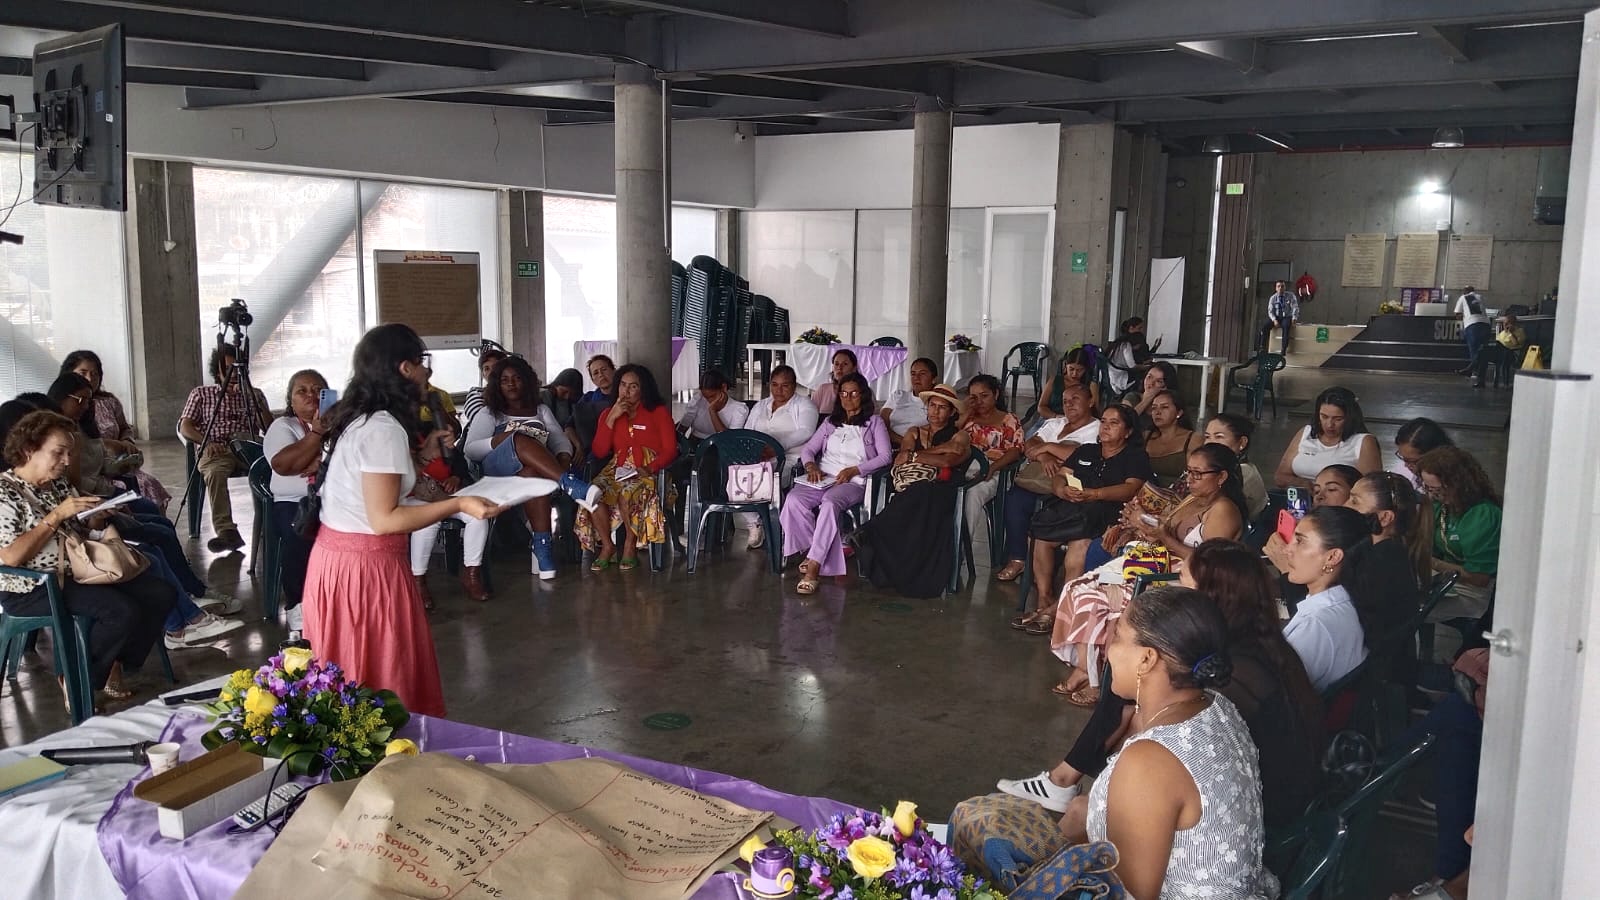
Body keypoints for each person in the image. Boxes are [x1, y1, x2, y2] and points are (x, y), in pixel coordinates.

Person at [999, 539, 1322, 830]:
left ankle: (1063, 782)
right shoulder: (1256, 644)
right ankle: (1064, 780)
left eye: (1182, 580)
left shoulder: (1230, 678)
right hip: (1264, 805)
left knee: (1083, 811)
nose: (1172, 581)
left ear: (1208, 599)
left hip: (1257, 820)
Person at [302, 324, 506, 719]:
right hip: (365, 571)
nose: (428, 372)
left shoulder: (365, 419)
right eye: (422, 362)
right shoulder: (382, 429)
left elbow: (377, 495)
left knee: (355, 680)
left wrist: (422, 454)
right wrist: (458, 504)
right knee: (379, 684)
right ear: (404, 369)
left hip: (343, 562)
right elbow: (385, 518)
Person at [1061, 587, 1279, 900]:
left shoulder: (1149, 761)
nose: (1108, 649)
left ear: (1147, 658)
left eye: (1118, 635)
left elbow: (1127, 895)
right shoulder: (1216, 705)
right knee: (1077, 813)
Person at [1049, 444, 1248, 706]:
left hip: (1186, 581)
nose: (1190, 479)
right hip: (1160, 566)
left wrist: (1162, 536)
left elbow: (1211, 563)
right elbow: (1166, 530)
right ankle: (1085, 669)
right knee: (1080, 588)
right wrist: (1141, 524)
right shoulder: (1193, 499)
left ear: (1221, 477)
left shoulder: (1224, 510)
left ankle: (1101, 682)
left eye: (1198, 474)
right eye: (1188, 472)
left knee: (1105, 601)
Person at [0, 410, 174, 705]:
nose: (67, 461)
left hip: (77, 571)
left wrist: (96, 518)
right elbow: (10, 558)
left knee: (160, 593)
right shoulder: (5, 494)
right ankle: (79, 676)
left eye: (69, 453)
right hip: (32, 587)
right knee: (120, 610)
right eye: (58, 452)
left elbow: (78, 529)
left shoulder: (57, 485)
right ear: (29, 449)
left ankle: (112, 662)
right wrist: (56, 516)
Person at [1014, 405, 1152, 634]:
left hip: (1108, 515)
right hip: (1074, 510)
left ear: (1128, 432)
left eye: (1114, 423)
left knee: (1080, 545)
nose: (1105, 427)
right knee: (1041, 537)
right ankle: (1043, 602)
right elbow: (1061, 476)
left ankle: (1059, 610)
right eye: (1104, 421)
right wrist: (1061, 491)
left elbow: (1130, 489)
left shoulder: (1135, 457)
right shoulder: (1087, 451)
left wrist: (1095, 494)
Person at [464, 355, 596, 581]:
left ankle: (542, 547)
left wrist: (564, 457)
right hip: (498, 473)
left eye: (516, 378)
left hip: (532, 473)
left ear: (526, 381)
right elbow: (471, 450)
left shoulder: (540, 409)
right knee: (519, 439)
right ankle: (570, 484)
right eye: (505, 380)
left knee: (533, 476)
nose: (511, 383)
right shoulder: (489, 412)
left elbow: (558, 439)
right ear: (497, 384)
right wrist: (501, 439)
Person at [855, 384, 972, 598]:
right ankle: (882, 550)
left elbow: (950, 457)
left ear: (952, 412)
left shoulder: (961, 435)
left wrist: (916, 455)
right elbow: (901, 459)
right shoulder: (914, 431)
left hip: (943, 490)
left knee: (922, 491)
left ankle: (871, 530)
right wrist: (927, 455)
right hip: (913, 489)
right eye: (932, 406)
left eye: (942, 408)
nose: (935, 412)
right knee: (916, 492)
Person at [781, 372, 891, 594]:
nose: (847, 398)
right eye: (843, 393)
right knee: (793, 500)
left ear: (863, 396)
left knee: (830, 503)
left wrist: (855, 470)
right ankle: (816, 552)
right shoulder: (831, 422)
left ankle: (813, 567)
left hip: (854, 481)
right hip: (824, 477)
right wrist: (811, 466)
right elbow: (809, 449)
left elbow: (885, 457)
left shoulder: (874, 422)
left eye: (853, 393)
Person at [994, 383, 1101, 582]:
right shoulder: (1056, 423)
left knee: (1051, 512)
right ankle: (1018, 558)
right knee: (1015, 499)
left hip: (1070, 484)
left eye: (1075, 400)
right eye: (1065, 401)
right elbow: (1029, 445)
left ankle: (1044, 568)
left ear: (1091, 401)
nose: (1069, 405)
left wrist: (1049, 446)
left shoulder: (1097, 429)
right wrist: (1045, 457)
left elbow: (1081, 455)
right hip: (1038, 479)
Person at [579, 364, 678, 571]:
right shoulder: (608, 412)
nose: (626, 391)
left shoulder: (657, 413)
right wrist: (611, 418)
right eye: (623, 385)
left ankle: (629, 546)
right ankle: (607, 546)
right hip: (618, 468)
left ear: (643, 390)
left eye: (633, 387)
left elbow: (670, 450)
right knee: (591, 493)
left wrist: (650, 468)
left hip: (650, 471)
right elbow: (598, 451)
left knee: (627, 493)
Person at [178, 345, 274, 553]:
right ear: (218, 371)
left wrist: (252, 396)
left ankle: (271, 521)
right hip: (217, 449)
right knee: (214, 473)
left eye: (238, 369)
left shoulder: (254, 394)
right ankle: (227, 532)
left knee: (273, 467)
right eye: (228, 369)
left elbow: (268, 428)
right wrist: (206, 441)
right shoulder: (201, 393)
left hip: (248, 448)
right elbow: (185, 426)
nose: (233, 375)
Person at [1275, 505, 1371, 692]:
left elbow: (1274, 692)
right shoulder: (1345, 601)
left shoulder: (1315, 626)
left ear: (1332, 557)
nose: (1287, 549)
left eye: (1300, 541)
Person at [59, 350, 171, 510]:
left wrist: (126, 441)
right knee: (129, 494)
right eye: (83, 373)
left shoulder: (109, 401)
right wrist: (105, 445)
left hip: (117, 463)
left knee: (148, 483)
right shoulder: (70, 408)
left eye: (95, 374)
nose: (90, 379)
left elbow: (125, 428)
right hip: (91, 473)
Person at [263, 369, 329, 634]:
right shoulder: (283, 426)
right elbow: (284, 464)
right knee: (300, 532)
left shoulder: (340, 426)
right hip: (293, 499)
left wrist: (317, 463)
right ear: (290, 400)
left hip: (332, 497)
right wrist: (316, 435)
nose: (311, 395)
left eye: (317, 390)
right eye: (302, 390)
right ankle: (297, 606)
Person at [1415, 446, 1501, 622]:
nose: (1433, 496)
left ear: (1460, 484)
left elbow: (1479, 578)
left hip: (1471, 592)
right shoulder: (1443, 506)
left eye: (1438, 490)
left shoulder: (1482, 515)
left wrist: (1430, 562)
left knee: (1401, 611)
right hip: (1442, 578)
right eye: (1428, 489)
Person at [740, 365, 819, 550]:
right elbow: (747, 431)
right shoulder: (761, 405)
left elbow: (806, 432)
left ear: (794, 386)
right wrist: (753, 450)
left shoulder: (805, 406)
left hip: (791, 460)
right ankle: (755, 522)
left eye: (785, 386)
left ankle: (778, 526)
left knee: (762, 479)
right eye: (774, 385)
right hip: (757, 457)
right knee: (734, 475)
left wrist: (776, 448)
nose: (779, 390)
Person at [960, 374, 1024, 556]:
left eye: (984, 395)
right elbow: (950, 438)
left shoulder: (1008, 419)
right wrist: (965, 413)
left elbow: (1015, 450)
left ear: (996, 395)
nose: (979, 401)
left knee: (972, 494)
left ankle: (960, 550)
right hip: (963, 466)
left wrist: (992, 468)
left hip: (996, 472)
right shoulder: (968, 419)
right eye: (974, 397)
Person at [1273, 386, 1381, 489]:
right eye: (1324, 417)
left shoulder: (1363, 441)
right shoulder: (1306, 433)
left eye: (1338, 419)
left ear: (1350, 417)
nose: (1329, 425)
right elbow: (1280, 476)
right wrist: (1302, 483)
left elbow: (1370, 488)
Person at [1202, 413, 1266, 518]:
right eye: (1207, 437)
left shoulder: (1243, 472)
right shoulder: (1216, 467)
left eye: (1219, 437)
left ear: (1242, 442)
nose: (1210, 443)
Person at [1141, 390, 1202, 488]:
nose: (1157, 412)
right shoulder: (1145, 437)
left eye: (1164, 407)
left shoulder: (1193, 439)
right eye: (1154, 408)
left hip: (1179, 497)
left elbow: (1197, 476)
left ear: (1179, 412)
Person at [878, 356, 937, 444]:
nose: (916, 378)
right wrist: (900, 441)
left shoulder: (936, 403)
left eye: (922, 373)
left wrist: (907, 444)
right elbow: (881, 422)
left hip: (917, 447)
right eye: (913, 374)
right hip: (887, 442)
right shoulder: (898, 395)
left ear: (934, 379)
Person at [1037, 347, 1101, 420]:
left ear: (1086, 369)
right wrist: (1055, 416)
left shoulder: (1090, 385)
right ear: (1065, 365)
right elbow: (1041, 407)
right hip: (1052, 419)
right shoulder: (1054, 381)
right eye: (1071, 369)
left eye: (1079, 370)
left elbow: (1094, 412)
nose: (1074, 374)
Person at [1391, 417, 1454, 491]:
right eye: (1403, 458)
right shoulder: (1402, 472)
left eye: (1413, 461)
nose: (1406, 465)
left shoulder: (1453, 481)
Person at [573, 354, 617, 455]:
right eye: (596, 373)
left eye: (604, 369)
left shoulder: (624, 396)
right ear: (593, 380)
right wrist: (579, 446)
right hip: (593, 452)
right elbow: (569, 426)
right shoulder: (588, 399)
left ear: (613, 371)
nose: (601, 375)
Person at [1471, 314, 1527, 388]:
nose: (1505, 325)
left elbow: (1516, 344)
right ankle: (1481, 382)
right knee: (1483, 354)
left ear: (1513, 323)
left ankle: (1471, 368)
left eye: (1507, 323)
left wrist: (1511, 333)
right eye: (1504, 323)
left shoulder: (1520, 331)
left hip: (1510, 354)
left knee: (1483, 352)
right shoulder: (1503, 333)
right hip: (1498, 353)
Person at [542, 368, 586, 456]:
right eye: (564, 391)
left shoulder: (576, 400)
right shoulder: (543, 397)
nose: (567, 397)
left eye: (571, 393)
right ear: (556, 384)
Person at [461, 345, 508, 426]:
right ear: (483, 374)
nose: (491, 372)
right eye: (486, 368)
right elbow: (481, 423)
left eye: (495, 367)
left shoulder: (516, 392)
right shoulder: (476, 393)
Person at [1102, 317, 1151, 396]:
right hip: (1120, 378)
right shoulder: (1125, 345)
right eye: (1139, 328)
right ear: (1131, 328)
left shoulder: (1116, 343)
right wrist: (1146, 367)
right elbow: (1132, 366)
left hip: (1111, 376)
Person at [808, 348, 858, 418]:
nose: (839, 368)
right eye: (836, 364)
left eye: (845, 364)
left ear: (854, 368)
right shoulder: (823, 389)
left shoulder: (863, 390)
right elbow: (810, 415)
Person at [1454, 286, 1491, 376]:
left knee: (1474, 350)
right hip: (1486, 325)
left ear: (1465, 291)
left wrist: (1463, 318)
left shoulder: (1463, 297)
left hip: (1473, 325)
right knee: (1483, 351)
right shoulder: (1480, 296)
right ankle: (1481, 375)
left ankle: (1474, 372)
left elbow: (1457, 313)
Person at [1258, 280, 1298, 353]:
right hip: (1276, 317)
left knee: (1286, 327)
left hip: (1286, 317)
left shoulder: (1291, 296)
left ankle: (1283, 349)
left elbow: (1295, 307)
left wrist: (1294, 318)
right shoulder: (1273, 298)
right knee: (1264, 327)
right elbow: (1270, 311)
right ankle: (1262, 347)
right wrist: (1274, 320)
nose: (1280, 288)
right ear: (1276, 288)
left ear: (1285, 287)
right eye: (1278, 286)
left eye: (1282, 286)